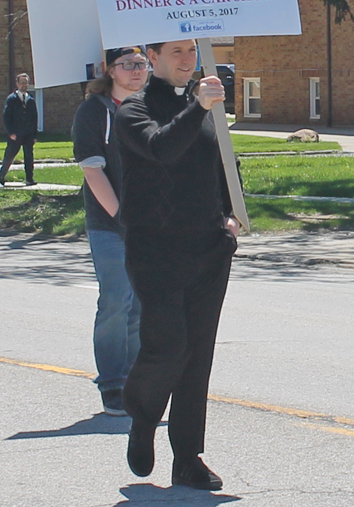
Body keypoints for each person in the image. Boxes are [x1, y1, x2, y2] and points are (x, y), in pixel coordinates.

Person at [115, 39, 240, 490]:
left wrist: (231, 217)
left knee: (197, 355)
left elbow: (225, 163)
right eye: (176, 52)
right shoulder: (133, 109)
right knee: (167, 346)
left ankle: (188, 457)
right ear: (153, 58)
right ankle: (143, 416)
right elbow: (161, 148)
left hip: (208, 248)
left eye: (191, 50)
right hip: (156, 251)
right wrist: (200, 108)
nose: (187, 60)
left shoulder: (203, 105)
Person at [72, 47, 148, 416]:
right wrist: (122, 217)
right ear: (109, 70)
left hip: (152, 225)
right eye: (127, 65)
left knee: (141, 304)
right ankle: (113, 384)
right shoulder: (96, 110)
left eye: (141, 64)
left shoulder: (152, 109)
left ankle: (135, 379)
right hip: (110, 225)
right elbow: (92, 170)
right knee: (118, 300)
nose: (136, 71)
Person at [0, 73, 38, 186]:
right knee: (10, 155)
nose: (24, 85)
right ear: (17, 84)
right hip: (16, 134)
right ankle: (2, 175)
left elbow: (34, 118)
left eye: (26, 83)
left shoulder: (30, 100)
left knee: (29, 157)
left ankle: (29, 178)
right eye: (22, 83)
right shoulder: (12, 99)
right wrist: (11, 132)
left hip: (28, 134)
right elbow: (7, 117)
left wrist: (34, 135)